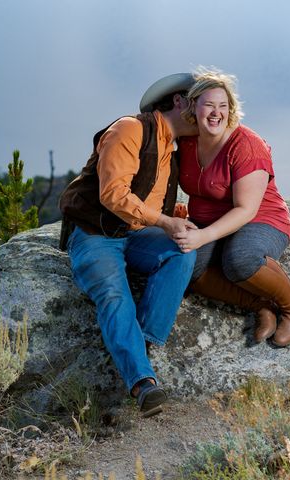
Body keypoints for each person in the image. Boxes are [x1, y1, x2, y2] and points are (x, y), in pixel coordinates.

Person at [59, 73, 198, 418]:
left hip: (134, 235)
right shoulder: (129, 129)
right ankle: (142, 382)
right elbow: (113, 194)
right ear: (179, 101)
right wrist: (165, 222)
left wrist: (175, 215)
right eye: (198, 100)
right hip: (95, 233)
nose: (206, 110)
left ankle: (141, 342)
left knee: (182, 251)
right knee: (113, 294)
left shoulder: (173, 149)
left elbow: (152, 199)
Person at [172, 67, 290, 347]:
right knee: (185, 267)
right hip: (209, 221)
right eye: (208, 104)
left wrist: (202, 236)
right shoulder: (186, 141)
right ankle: (260, 305)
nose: (215, 112)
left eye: (223, 106)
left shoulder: (246, 144)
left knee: (239, 260)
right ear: (193, 106)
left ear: (231, 109)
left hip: (260, 218)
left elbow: (246, 209)